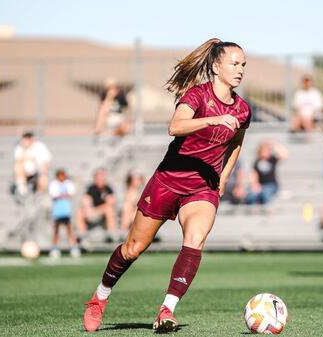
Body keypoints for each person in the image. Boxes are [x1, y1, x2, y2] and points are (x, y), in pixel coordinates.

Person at [82, 38, 251, 333]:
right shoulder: (197, 95)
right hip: (169, 180)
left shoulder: (242, 110)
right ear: (216, 66)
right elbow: (175, 127)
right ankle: (100, 297)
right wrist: (213, 119)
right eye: (234, 64)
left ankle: (166, 310)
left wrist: (222, 179)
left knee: (195, 239)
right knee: (133, 249)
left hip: (203, 187)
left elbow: (236, 144)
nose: (240, 70)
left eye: (243, 65)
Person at [76, 168, 118, 243]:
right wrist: (89, 209)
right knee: (80, 212)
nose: (100, 179)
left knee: (109, 210)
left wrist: (97, 210)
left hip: (102, 211)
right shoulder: (91, 188)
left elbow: (111, 202)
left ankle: (111, 236)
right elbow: (85, 200)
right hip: (92, 211)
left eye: (102, 177)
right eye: (98, 177)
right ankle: (82, 237)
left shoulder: (108, 189)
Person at [48, 169, 81, 259]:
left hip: (66, 211)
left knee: (69, 231)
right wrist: (64, 195)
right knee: (56, 231)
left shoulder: (68, 183)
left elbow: (70, 193)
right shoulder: (54, 184)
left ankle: (74, 248)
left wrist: (62, 195)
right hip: (57, 211)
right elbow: (54, 195)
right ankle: (54, 249)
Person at [247, 141, 288, 205]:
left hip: (271, 184)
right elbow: (254, 174)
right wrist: (255, 184)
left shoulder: (272, 159)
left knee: (265, 193)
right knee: (251, 195)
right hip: (260, 185)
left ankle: (267, 211)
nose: (267, 152)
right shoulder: (257, 161)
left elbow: (284, 155)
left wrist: (276, 145)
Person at [13, 131, 52, 196]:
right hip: (25, 172)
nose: (27, 140)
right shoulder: (20, 148)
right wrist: (25, 150)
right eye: (25, 138)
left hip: (38, 170)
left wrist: (43, 172)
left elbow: (46, 161)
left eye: (29, 138)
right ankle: (22, 187)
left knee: (44, 178)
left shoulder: (40, 146)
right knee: (17, 166)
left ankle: (41, 195)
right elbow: (18, 160)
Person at [119, 170, 145, 237]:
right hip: (131, 214)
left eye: (139, 179)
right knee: (127, 209)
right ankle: (124, 231)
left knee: (129, 210)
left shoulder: (142, 190)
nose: (138, 181)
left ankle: (123, 232)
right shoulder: (129, 191)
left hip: (137, 213)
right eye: (136, 179)